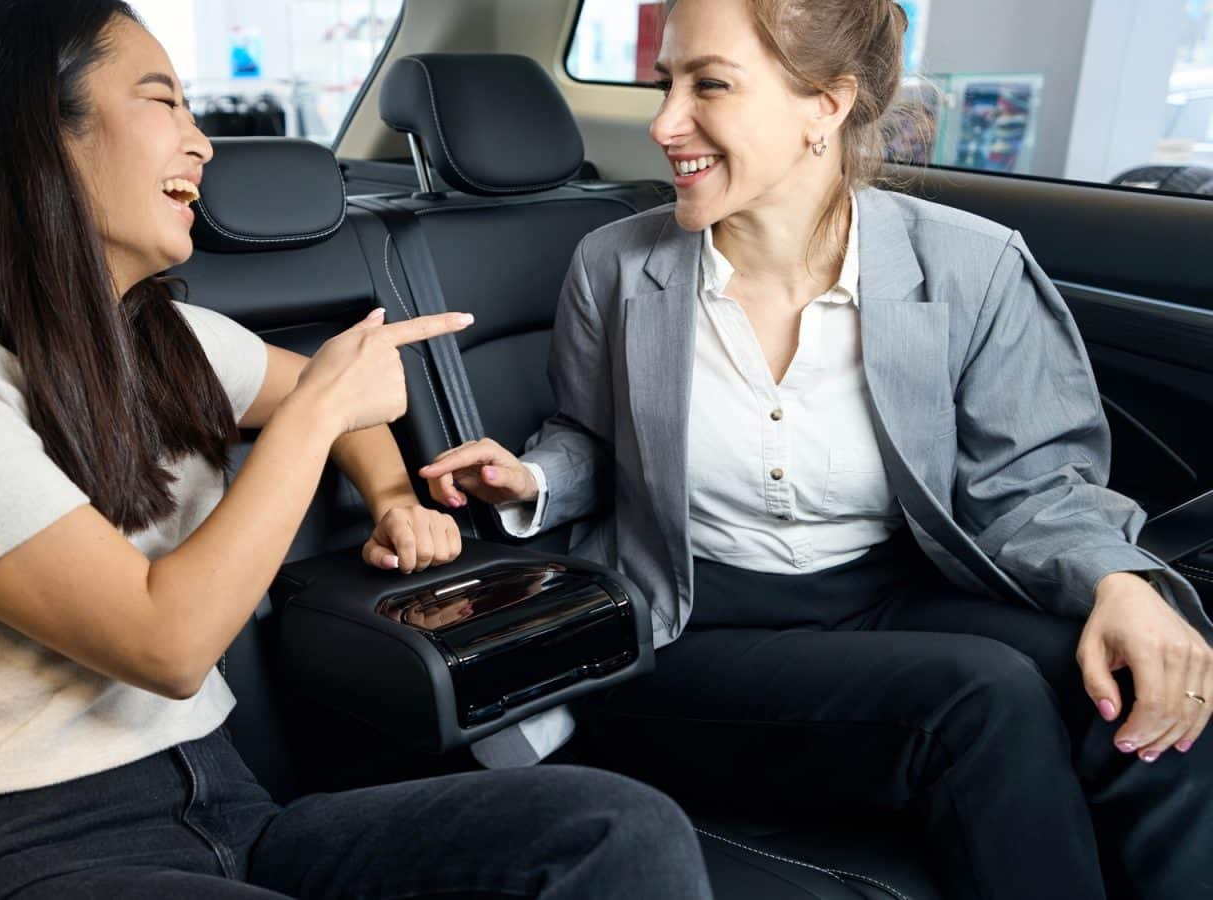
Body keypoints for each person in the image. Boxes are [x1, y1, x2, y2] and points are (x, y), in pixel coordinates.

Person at [0, 1, 712, 897]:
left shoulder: (163, 339)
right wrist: (316, 414)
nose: (201, 143)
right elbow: (166, 643)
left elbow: (345, 399)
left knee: (619, 830)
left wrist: (393, 498)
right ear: (41, 137)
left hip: (230, 804)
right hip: (29, 843)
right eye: (163, 102)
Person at [418, 0, 1213, 897]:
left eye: (709, 85)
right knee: (983, 696)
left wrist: (1122, 583)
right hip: (686, 626)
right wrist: (530, 479)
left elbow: (1030, 487)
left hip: (887, 596)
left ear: (826, 105)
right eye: (666, 84)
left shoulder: (970, 267)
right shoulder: (616, 266)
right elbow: (595, 440)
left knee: (1148, 673)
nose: (664, 123)